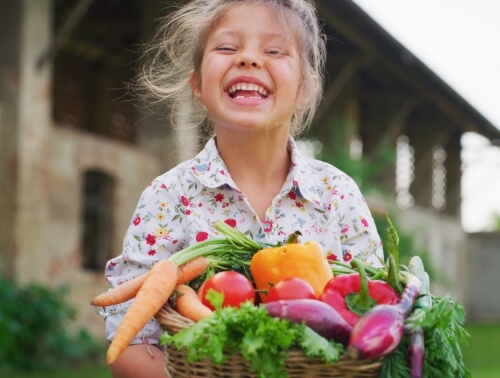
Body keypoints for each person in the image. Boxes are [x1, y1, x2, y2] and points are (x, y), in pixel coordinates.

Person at [98, 0, 384, 376]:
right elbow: (129, 341)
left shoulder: (338, 195)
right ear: (197, 83)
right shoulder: (167, 197)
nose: (248, 59)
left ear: (306, 88)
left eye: (274, 50)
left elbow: (378, 314)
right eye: (227, 47)